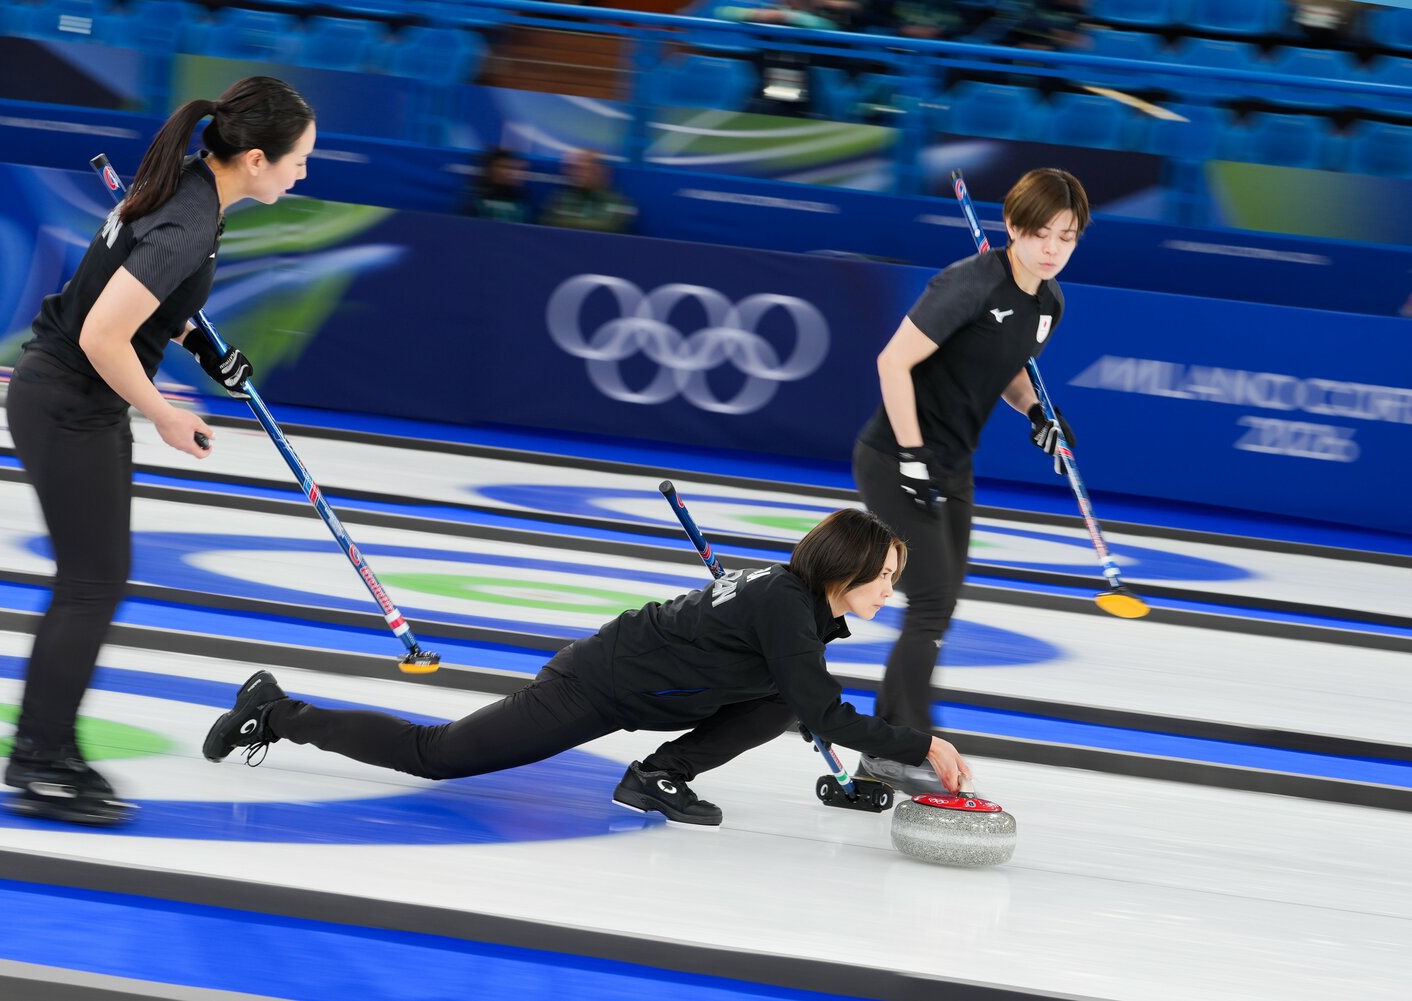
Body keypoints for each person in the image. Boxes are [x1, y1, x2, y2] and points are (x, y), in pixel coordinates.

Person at [203, 509, 973, 827]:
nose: (890, 590)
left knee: (785, 698)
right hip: (597, 683)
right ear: (845, 569)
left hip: (645, 684)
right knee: (435, 756)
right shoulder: (785, 607)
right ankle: (275, 711)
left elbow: (808, 698)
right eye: (884, 576)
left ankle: (658, 775)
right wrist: (922, 744)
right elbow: (831, 714)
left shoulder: (800, 604)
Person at [3, 76, 316, 826]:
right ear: (253, 159)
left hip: (80, 399)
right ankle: (39, 759)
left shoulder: (189, 190)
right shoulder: (189, 217)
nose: (304, 171)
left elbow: (145, 297)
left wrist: (203, 350)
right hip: (70, 400)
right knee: (92, 583)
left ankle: (48, 747)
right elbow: (101, 333)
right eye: (298, 158)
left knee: (97, 580)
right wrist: (167, 412)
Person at [851, 168, 1089, 794]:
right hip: (893, 458)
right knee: (930, 601)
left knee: (939, 604)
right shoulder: (968, 283)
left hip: (953, 466)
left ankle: (881, 751)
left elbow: (1008, 370)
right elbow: (893, 361)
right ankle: (911, 746)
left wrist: (1038, 414)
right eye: (1040, 233)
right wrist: (910, 454)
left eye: (1066, 236)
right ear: (1012, 228)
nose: (1051, 248)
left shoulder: (1050, 303)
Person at [539, 149, 637, 234]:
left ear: (600, 170)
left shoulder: (620, 203)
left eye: (584, 167)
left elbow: (610, 227)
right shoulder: (559, 198)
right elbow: (549, 223)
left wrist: (568, 223)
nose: (576, 173)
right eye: (573, 168)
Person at [464, 147, 531, 223]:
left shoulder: (525, 200)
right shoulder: (474, 196)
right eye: (507, 167)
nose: (515, 173)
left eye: (520, 169)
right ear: (491, 169)